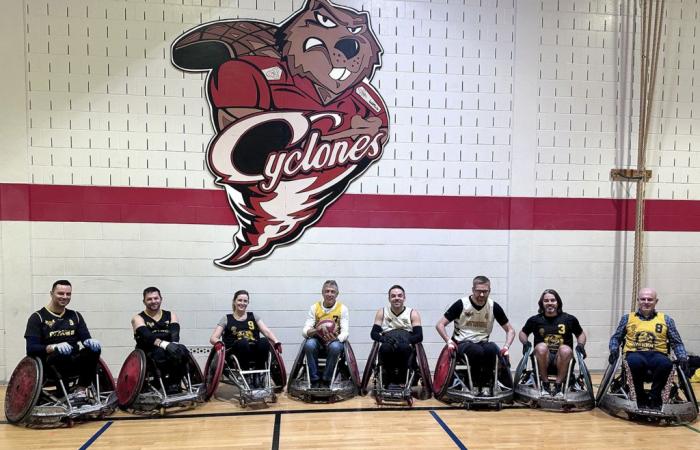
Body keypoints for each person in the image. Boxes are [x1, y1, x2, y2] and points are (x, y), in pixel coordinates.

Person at [609, 287, 689, 410]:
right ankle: (640, 397)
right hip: (635, 353)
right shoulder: (627, 318)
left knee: (666, 364)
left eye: (650, 299)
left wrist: (683, 357)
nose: (646, 302)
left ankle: (654, 397)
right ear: (638, 301)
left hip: (657, 354)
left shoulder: (666, 319)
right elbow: (616, 338)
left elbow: (676, 342)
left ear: (656, 301)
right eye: (643, 299)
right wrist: (613, 350)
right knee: (634, 363)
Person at [436, 275, 515, 396]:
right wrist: (448, 341)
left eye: (485, 291)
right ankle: (475, 384)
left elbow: (510, 330)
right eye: (479, 291)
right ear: (473, 290)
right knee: (476, 351)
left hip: (483, 342)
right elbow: (440, 325)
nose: (482, 295)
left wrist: (506, 347)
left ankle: (487, 386)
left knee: (493, 349)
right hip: (462, 342)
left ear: (489, 290)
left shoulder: (493, 306)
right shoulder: (461, 304)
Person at [24, 280, 101, 396]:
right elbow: (31, 348)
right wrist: (53, 347)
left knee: (93, 350)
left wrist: (89, 341)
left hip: (73, 362)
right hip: (50, 365)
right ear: (51, 294)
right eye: (60, 293)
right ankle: (62, 394)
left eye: (68, 294)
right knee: (61, 355)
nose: (65, 297)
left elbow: (85, 338)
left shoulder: (75, 316)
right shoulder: (37, 317)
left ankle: (81, 389)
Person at [519, 289, 587, 397]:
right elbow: (523, 333)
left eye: (552, 300)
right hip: (542, 359)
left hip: (562, 359)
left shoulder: (569, 319)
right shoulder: (535, 320)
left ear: (558, 302)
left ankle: (558, 386)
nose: (549, 303)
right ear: (542, 303)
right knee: (541, 347)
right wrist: (525, 343)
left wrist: (581, 345)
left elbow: (581, 334)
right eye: (546, 301)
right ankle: (545, 384)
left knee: (565, 349)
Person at [209, 289, 282, 387]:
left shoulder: (253, 316)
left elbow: (266, 331)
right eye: (239, 300)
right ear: (234, 301)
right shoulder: (226, 318)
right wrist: (219, 343)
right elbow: (213, 338)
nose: (242, 303)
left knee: (264, 341)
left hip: (253, 350)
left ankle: (258, 375)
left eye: (245, 301)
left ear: (248, 302)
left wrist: (276, 341)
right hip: (235, 352)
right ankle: (246, 375)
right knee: (243, 342)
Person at [130, 287, 189, 394]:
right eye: (149, 299)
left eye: (156, 298)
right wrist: (165, 344)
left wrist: (174, 345)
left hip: (169, 347)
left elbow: (175, 332)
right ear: (144, 301)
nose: (153, 301)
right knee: (160, 352)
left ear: (161, 299)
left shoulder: (170, 315)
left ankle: (174, 383)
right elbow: (147, 336)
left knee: (182, 350)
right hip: (149, 349)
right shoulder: (138, 318)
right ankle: (162, 384)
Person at [370, 285, 422, 387]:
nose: (396, 298)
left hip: (406, 338)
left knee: (404, 349)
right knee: (385, 349)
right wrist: (383, 339)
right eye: (393, 296)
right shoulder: (382, 312)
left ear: (404, 298)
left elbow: (419, 336)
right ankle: (387, 378)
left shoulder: (413, 313)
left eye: (399, 295)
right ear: (389, 299)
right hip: (388, 338)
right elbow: (373, 333)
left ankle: (403, 379)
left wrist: (408, 341)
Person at [302, 280, 349, 388]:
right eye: (327, 291)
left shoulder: (343, 309)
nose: (329, 294)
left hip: (333, 341)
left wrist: (336, 338)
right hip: (317, 340)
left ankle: (326, 380)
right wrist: (317, 329)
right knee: (309, 344)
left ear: (337, 294)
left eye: (332, 292)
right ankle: (314, 380)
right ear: (322, 293)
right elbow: (305, 331)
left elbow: (345, 332)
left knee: (336, 347)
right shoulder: (314, 307)